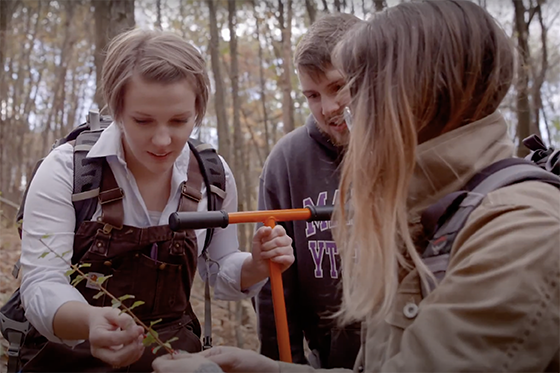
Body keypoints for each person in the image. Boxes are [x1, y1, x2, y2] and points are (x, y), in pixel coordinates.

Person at [151, 0, 560, 372]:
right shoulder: (423, 202)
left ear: (416, 95)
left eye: (356, 90)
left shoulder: (521, 230)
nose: (341, 112)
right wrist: (270, 368)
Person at [17, 27, 294, 373]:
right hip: (68, 358)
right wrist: (89, 322)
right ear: (117, 108)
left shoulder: (213, 176)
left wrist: (255, 265)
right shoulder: (67, 171)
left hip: (174, 361)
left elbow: (220, 268)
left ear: (198, 111)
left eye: (179, 121)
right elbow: (41, 283)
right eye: (143, 120)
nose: (163, 140)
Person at [254, 12, 362, 369]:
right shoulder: (288, 160)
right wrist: (283, 361)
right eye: (313, 95)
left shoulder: (406, 148)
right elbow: (274, 282)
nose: (328, 108)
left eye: (338, 87)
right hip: (323, 355)